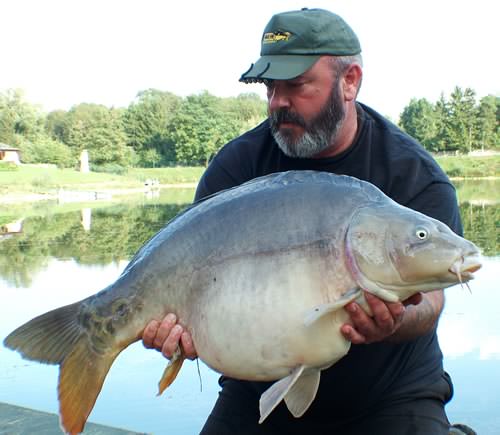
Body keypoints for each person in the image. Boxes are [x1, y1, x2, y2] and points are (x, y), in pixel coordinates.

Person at [142, 8, 462, 434]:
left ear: (350, 82)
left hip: (390, 393)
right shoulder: (237, 169)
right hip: (259, 388)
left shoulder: (413, 176)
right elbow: (188, 280)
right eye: (271, 87)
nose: (278, 102)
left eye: (295, 85)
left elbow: (433, 303)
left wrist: (394, 320)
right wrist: (174, 332)